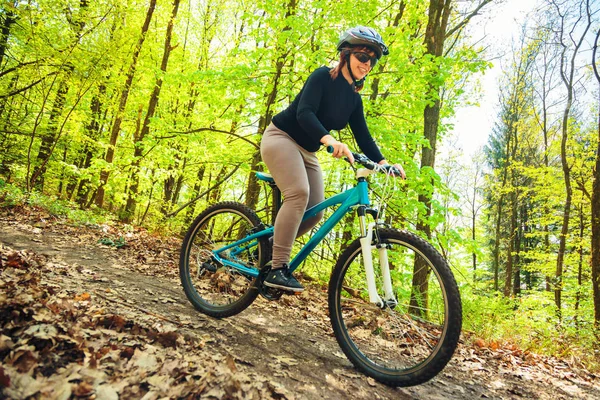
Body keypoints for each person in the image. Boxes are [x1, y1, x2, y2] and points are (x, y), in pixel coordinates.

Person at [260, 26, 406, 292]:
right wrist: (330, 140)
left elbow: (364, 136)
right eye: (363, 57)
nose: (368, 64)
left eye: (372, 60)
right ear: (346, 54)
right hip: (281, 138)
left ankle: (270, 243)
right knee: (298, 193)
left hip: (308, 151)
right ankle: (277, 267)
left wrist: (384, 164)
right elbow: (305, 113)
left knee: (315, 211)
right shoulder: (322, 77)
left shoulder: (353, 100)